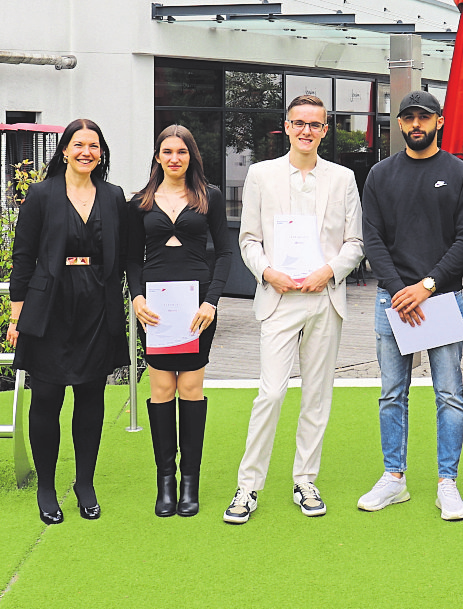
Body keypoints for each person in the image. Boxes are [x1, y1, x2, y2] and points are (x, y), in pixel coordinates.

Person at [223, 95, 363, 525]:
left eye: (315, 124)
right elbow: (248, 239)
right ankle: (247, 487)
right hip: (280, 297)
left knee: (317, 396)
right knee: (271, 392)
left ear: (324, 130)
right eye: (298, 123)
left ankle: (305, 479)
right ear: (285, 127)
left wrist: (329, 271)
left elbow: (355, 244)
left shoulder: (342, 179)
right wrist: (267, 273)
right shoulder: (262, 175)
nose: (306, 130)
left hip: (324, 297)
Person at [359, 90, 463, 521]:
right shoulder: (379, 175)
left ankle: (447, 482)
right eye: (408, 118)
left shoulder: (461, 174)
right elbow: (371, 239)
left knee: (449, 395)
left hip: (442, 299)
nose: (415, 125)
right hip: (392, 301)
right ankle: (394, 478)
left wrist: (426, 287)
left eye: (423, 118)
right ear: (400, 124)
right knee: (392, 394)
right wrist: (399, 291)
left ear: (439, 122)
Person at [6, 119, 128, 524]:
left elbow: (126, 254)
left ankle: (85, 483)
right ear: (65, 150)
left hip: (97, 302)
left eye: (94, 146)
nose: (86, 152)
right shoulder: (41, 195)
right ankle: (45, 486)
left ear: (101, 153)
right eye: (79, 145)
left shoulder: (113, 196)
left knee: (91, 396)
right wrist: (16, 314)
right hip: (50, 306)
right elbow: (23, 256)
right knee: (47, 398)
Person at [127, 124, 232, 518]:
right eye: (167, 151)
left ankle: (190, 483)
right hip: (154, 309)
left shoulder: (210, 197)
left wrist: (212, 302)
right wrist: (136, 297)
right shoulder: (139, 202)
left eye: (182, 152)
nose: (175, 158)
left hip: (195, 309)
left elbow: (224, 253)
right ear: (158, 156)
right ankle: (165, 483)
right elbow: (130, 258)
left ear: (192, 157)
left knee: (189, 388)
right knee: (160, 389)